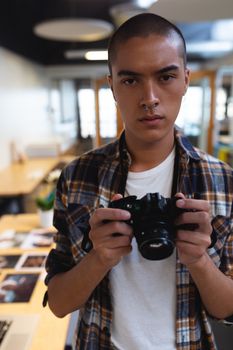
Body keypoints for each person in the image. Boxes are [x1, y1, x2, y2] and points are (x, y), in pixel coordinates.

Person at [43, 13, 233, 350]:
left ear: (186, 79)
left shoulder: (222, 182)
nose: (150, 97)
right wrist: (99, 257)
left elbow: (225, 308)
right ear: (112, 85)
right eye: (130, 80)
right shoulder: (77, 177)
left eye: (166, 77)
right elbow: (59, 304)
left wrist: (200, 260)